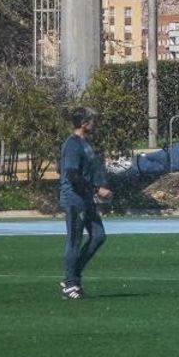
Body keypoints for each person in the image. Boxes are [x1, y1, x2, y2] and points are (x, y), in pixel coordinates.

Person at [59, 106, 110, 300]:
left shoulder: (84, 143)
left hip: (85, 198)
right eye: (91, 120)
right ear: (83, 123)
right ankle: (71, 284)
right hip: (74, 199)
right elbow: (72, 175)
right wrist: (97, 189)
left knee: (98, 235)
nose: (94, 123)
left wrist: (98, 186)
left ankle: (72, 275)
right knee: (74, 241)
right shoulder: (72, 145)